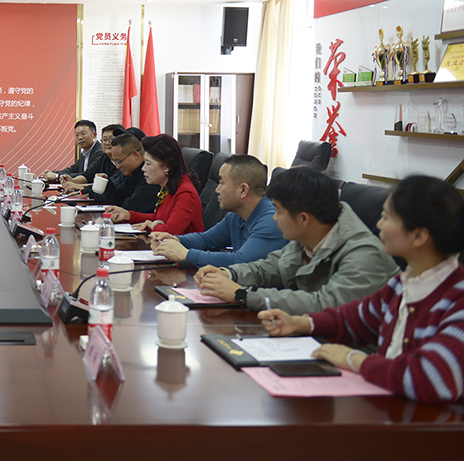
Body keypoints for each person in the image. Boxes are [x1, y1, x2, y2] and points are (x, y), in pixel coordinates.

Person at [259, 175, 464, 403]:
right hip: (391, 407)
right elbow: (354, 318)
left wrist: (353, 359)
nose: (379, 225)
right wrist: (300, 323)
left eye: (386, 217)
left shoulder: (458, 300)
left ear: (419, 236)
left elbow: (430, 378)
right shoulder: (402, 284)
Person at [195, 166, 399, 313]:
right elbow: (270, 267)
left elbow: (323, 304)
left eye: (278, 211)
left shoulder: (364, 254)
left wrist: (243, 294)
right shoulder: (307, 237)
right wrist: (228, 273)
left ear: (303, 219)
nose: (274, 218)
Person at [151, 154, 286, 267]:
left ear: (243, 190)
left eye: (222, 183)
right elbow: (206, 240)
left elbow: (241, 261)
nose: (217, 189)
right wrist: (175, 240)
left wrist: (187, 255)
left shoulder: (271, 220)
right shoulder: (236, 215)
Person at [106, 134, 202, 234]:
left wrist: (152, 225)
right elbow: (159, 218)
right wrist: (128, 215)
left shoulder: (185, 193)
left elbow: (169, 232)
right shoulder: (169, 186)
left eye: (148, 163)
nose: (143, 168)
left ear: (166, 166)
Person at [97, 132, 161, 212]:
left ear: (135, 155)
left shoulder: (151, 176)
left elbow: (131, 206)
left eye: (119, 162)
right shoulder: (132, 174)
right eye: (115, 162)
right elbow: (118, 198)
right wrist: (106, 183)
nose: (117, 167)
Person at [61, 123, 123, 195]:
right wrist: (72, 180)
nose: (107, 143)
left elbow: (110, 186)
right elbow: (88, 175)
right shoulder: (103, 157)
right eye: (105, 139)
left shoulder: (123, 162)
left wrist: (79, 187)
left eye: (112, 139)